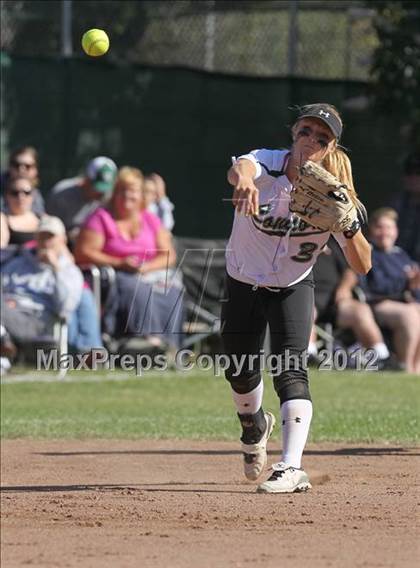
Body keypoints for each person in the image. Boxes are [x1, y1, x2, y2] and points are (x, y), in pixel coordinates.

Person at [223, 103, 371, 493]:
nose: (311, 141)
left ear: (331, 148)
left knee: (291, 369)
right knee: (239, 371)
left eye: (322, 138)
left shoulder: (332, 195)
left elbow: (363, 265)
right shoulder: (267, 163)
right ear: (293, 132)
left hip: (292, 285)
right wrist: (245, 181)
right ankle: (254, 425)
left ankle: (291, 467)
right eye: (306, 130)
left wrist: (349, 225)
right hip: (242, 279)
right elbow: (242, 168)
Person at [74, 166, 183, 350]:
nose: (127, 197)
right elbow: (83, 252)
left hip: (147, 272)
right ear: (115, 194)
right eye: (122, 192)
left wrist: (146, 268)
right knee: (136, 287)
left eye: (133, 193)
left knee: (171, 290)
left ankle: (171, 346)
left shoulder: (150, 219)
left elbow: (169, 255)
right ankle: (146, 343)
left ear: (141, 196)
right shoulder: (100, 218)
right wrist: (120, 263)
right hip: (114, 274)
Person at [1, 216, 102, 359]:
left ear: (63, 240)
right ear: (35, 239)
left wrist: (56, 269)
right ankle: (4, 345)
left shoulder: (70, 272)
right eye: (42, 236)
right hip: (8, 312)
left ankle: (4, 343)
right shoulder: (17, 264)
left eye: (51, 237)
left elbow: (65, 308)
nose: (46, 242)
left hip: (37, 321)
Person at [309, 239, 398, 370]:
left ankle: (382, 357)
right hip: (306, 296)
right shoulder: (295, 238)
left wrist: (344, 288)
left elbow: (351, 271)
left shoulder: (334, 241)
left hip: (335, 302)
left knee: (360, 310)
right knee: (306, 310)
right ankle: (309, 356)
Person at [357, 208, 420, 373]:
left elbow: (414, 288)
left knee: (414, 310)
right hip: (377, 303)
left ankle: (416, 368)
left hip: (404, 303)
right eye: (380, 227)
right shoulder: (367, 252)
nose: (385, 232)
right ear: (371, 231)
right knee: (409, 315)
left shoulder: (400, 255)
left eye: (389, 227)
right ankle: (404, 366)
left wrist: (414, 286)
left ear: (396, 231)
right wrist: (407, 282)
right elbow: (375, 286)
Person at [46, 156, 117, 243]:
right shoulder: (62, 194)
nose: (101, 193)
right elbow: (48, 227)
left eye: (105, 189)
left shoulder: (109, 197)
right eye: (97, 188)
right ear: (87, 179)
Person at [388, 153, 420, 262]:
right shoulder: (396, 203)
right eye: (409, 173)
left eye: (417, 173)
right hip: (395, 264)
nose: (412, 178)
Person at [0, 146, 45, 216]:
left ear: (35, 170)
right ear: (9, 167)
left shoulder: (36, 194)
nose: (21, 170)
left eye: (27, 166)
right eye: (16, 165)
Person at [0, 177, 41, 248]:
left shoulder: (43, 219)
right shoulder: (2, 219)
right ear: (7, 196)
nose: (21, 197)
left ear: (33, 195)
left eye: (26, 193)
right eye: (15, 193)